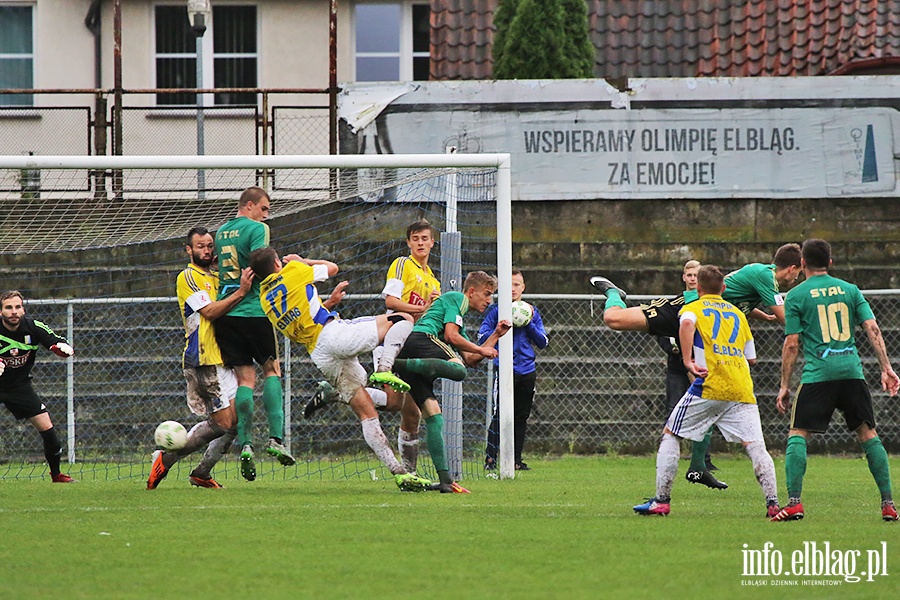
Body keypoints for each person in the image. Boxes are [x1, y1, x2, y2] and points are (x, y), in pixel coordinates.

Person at [590, 243, 801, 488]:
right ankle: (615, 294)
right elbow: (787, 320)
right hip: (685, 308)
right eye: (799, 273)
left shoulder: (759, 279)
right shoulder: (765, 275)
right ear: (793, 268)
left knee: (709, 388)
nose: (797, 279)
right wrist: (808, 330)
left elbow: (735, 301)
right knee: (613, 319)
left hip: (704, 323)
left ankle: (698, 467)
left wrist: (762, 316)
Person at [248, 246, 432, 492]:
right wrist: (304, 260)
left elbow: (299, 315)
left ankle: (399, 473)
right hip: (333, 334)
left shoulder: (265, 299)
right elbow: (333, 268)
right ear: (277, 264)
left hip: (319, 353)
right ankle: (385, 368)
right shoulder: (293, 269)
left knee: (371, 411)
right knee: (402, 319)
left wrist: (328, 303)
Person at [632, 265, 780, 517]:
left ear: (698, 288)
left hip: (710, 384)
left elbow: (687, 324)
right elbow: (751, 359)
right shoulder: (738, 313)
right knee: (756, 446)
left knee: (671, 434)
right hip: (742, 387)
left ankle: (661, 501)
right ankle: (774, 504)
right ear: (723, 289)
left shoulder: (692, 307)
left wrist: (688, 359)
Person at [771, 239, 900, 522]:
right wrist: (886, 367)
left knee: (797, 433)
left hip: (819, 375)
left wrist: (784, 385)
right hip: (852, 373)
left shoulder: (796, 295)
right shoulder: (850, 290)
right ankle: (889, 504)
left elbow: (792, 343)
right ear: (830, 263)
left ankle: (794, 503)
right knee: (868, 434)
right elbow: (873, 328)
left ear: (802, 263)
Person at [304, 218, 440, 475]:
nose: (420, 243)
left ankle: (410, 474)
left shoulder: (433, 281)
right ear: (409, 242)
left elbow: (423, 316)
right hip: (393, 340)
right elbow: (391, 301)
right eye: (416, 239)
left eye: (425, 238)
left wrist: (432, 307)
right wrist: (420, 308)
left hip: (413, 343)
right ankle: (408, 475)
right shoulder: (403, 264)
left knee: (408, 412)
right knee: (396, 405)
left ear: (433, 242)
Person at [147, 226, 254, 490]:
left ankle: (202, 473)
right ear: (189, 250)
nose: (206, 251)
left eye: (209, 246)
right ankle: (165, 458)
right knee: (222, 423)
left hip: (226, 358)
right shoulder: (189, 276)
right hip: (204, 358)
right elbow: (209, 312)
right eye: (200, 246)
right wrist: (240, 292)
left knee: (237, 419)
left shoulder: (217, 277)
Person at [394, 270, 512, 493]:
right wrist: (481, 348)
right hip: (420, 340)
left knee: (434, 416)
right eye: (486, 294)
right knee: (457, 370)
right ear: (471, 291)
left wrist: (496, 335)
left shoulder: (459, 321)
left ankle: (445, 481)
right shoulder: (456, 299)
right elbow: (450, 337)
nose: (489, 300)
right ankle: (397, 365)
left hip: (415, 356)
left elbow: (471, 359)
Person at [214, 186, 294, 481]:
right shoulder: (258, 229)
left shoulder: (221, 231)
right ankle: (275, 439)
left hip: (227, 313)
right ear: (249, 205)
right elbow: (261, 265)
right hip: (255, 310)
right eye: (264, 208)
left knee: (245, 379)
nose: (266, 214)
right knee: (272, 371)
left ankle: (246, 444)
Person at [0, 290, 76, 483]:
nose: (14, 312)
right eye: (9, 308)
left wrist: (61, 347)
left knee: (49, 431)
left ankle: (56, 474)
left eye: (17, 307)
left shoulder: (33, 327)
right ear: (1, 311)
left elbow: (56, 341)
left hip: (19, 387)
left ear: (23, 309)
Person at [481, 269, 548, 471]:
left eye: (516, 284)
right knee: (500, 413)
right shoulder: (495, 312)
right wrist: (498, 330)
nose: (512, 288)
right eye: (508, 284)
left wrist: (528, 324)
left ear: (523, 287)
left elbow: (543, 342)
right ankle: (490, 459)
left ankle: (516, 460)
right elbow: (483, 338)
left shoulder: (532, 312)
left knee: (521, 415)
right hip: (504, 369)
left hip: (527, 370)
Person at [654, 260, 717, 471]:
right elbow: (662, 330)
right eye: (689, 275)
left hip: (701, 366)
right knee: (673, 411)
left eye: (696, 275)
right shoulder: (675, 304)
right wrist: (671, 347)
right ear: (683, 277)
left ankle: (702, 461)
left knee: (703, 411)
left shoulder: (708, 303)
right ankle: (668, 459)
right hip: (677, 367)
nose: (692, 278)